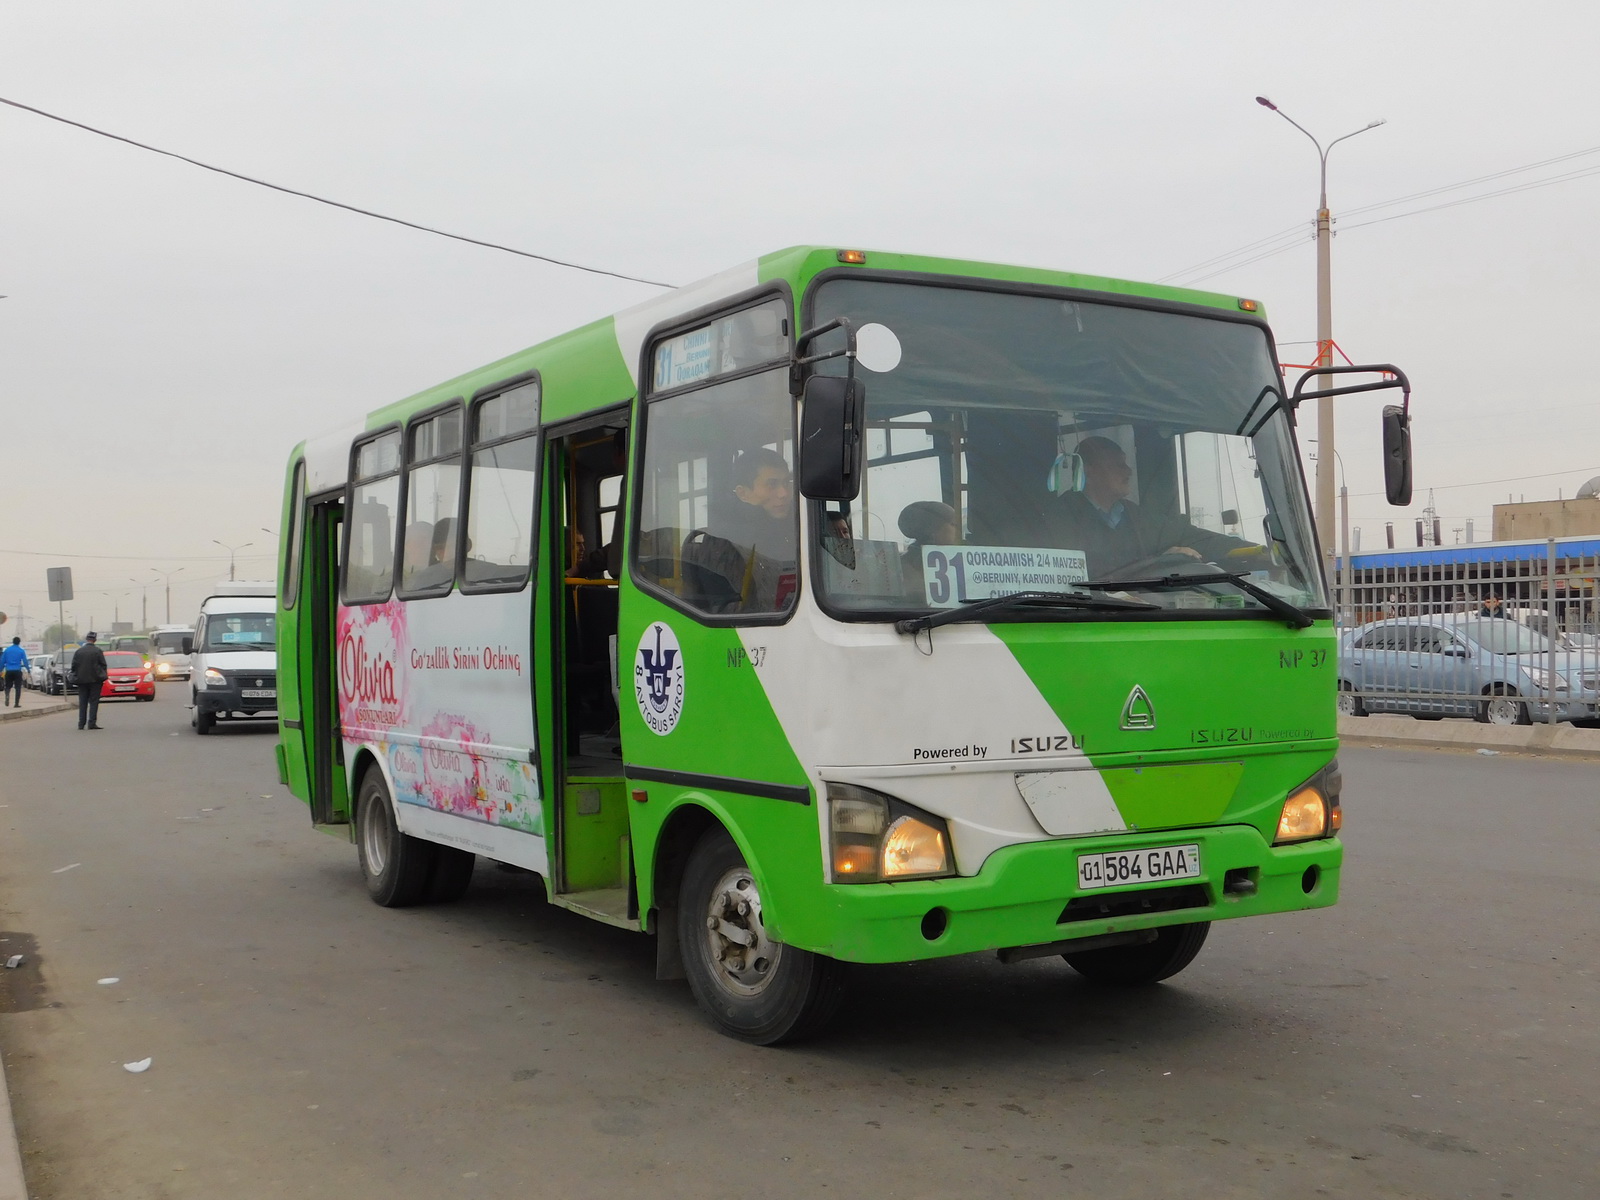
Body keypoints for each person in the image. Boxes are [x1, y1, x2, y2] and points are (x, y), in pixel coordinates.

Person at [1053, 436, 1258, 580]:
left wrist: (1259, 552)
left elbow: (1199, 539)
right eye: (1117, 465)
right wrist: (1159, 562)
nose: (1129, 470)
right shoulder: (1057, 518)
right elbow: (1085, 572)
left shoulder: (1141, 518)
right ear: (1089, 470)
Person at [681, 448, 797, 612]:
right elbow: (725, 610)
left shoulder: (795, 530)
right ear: (743, 494)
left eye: (787, 483)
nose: (784, 493)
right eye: (772, 484)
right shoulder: (723, 541)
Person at [898, 501, 960, 596]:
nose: (957, 529)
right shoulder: (909, 566)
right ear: (934, 528)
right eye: (952, 524)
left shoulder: (954, 560)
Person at [70, 631, 109, 730]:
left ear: (86, 639)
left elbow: (73, 666)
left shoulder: (79, 651)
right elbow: (103, 665)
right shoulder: (97, 651)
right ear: (95, 640)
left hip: (81, 680)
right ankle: (91, 723)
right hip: (95, 680)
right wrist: (101, 674)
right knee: (94, 702)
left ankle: (81, 723)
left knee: (83, 702)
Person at [1, 637, 28, 708]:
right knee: (18, 687)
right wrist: (28, 669)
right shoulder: (21, 651)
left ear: (13, 642)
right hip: (17, 671)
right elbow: (25, 661)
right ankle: (16, 703)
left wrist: (0, 669)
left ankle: (7, 695)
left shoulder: (7, 650)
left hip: (9, 670)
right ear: (19, 642)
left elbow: (2, 661)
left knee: (7, 686)